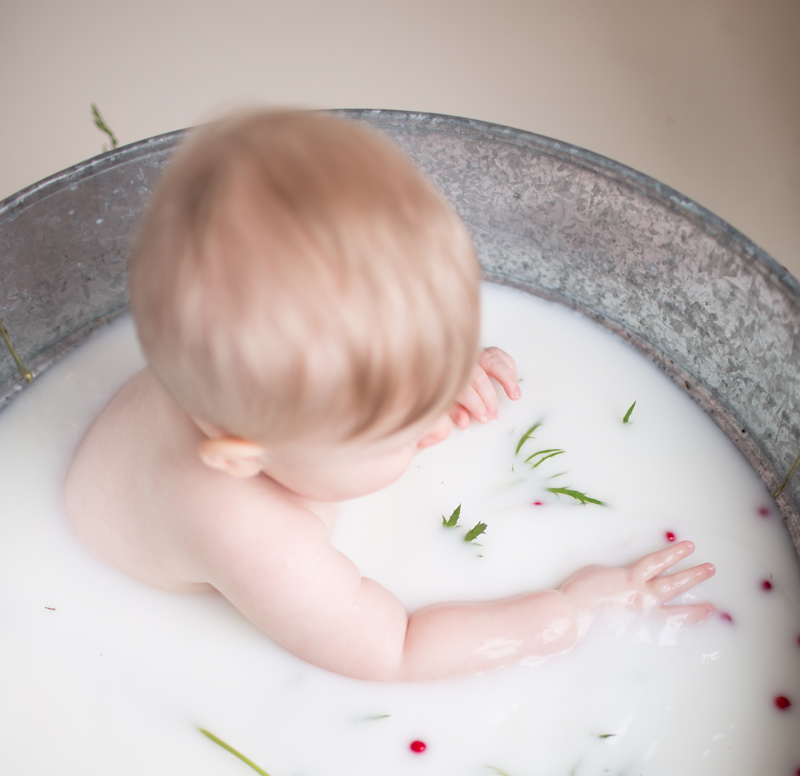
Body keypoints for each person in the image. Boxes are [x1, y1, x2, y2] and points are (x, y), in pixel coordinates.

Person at [65, 110, 714, 682]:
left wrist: (427, 371)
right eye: (402, 430)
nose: (437, 428)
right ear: (243, 456)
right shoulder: (251, 533)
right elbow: (393, 649)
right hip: (106, 564)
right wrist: (569, 612)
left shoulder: (241, 369)